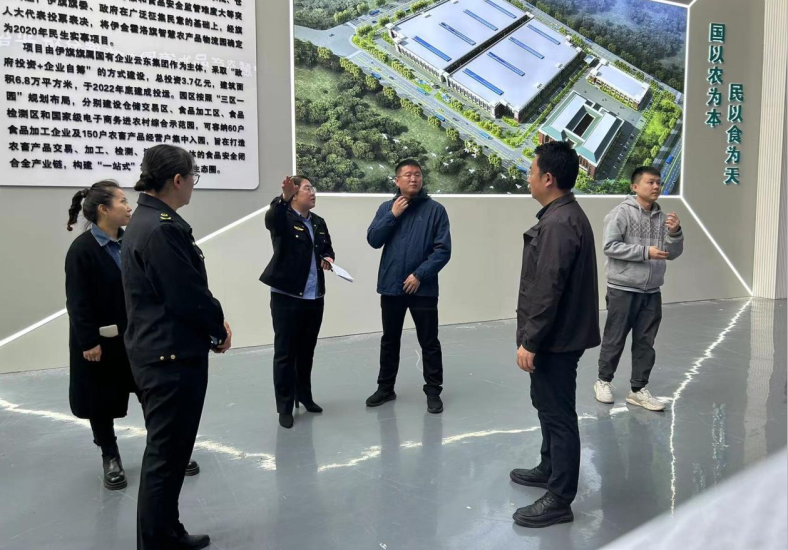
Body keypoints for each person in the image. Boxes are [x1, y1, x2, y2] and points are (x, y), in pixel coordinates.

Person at [122, 145, 231, 550]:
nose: (193, 186)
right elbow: (186, 296)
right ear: (178, 180)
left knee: (170, 455)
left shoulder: (147, 219)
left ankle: (168, 532)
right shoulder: (161, 228)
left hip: (160, 350)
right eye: (193, 178)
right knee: (166, 458)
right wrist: (217, 327)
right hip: (170, 357)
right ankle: (156, 542)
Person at [65, 181, 201, 492]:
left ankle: (167, 451)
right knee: (100, 402)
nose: (129, 207)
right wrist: (89, 342)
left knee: (152, 395)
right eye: (122, 201)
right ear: (103, 209)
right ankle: (110, 456)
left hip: (139, 337)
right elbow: (77, 301)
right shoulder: (82, 250)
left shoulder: (133, 240)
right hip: (101, 343)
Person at [511, 141, 600, 528]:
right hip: (558, 335)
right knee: (546, 404)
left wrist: (530, 340)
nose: (528, 177)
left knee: (558, 415)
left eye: (532, 172)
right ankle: (549, 467)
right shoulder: (562, 216)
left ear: (548, 178)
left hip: (555, 339)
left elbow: (547, 288)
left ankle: (560, 498)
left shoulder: (560, 223)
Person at [594, 166, 684, 411]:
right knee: (615, 338)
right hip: (622, 288)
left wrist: (675, 232)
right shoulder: (620, 213)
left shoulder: (663, 218)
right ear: (635, 187)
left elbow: (672, 253)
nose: (656, 186)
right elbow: (609, 246)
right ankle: (603, 381)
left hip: (652, 291)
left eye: (658, 182)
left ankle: (638, 390)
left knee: (646, 342)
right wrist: (645, 252)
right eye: (650, 182)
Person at [365, 159, 451, 414]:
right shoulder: (386, 208)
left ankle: (433, 391)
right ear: (397, 180)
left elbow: (443, 250)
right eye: (408, 175)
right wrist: (392, 215)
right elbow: (373, 239)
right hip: (391, 287)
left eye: (417, 174)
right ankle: (385, 388)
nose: (413, 179)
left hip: (423, 288)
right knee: (390, 340)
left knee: (429, 341)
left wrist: (419, 275)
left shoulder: (436, 210)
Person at [260, 175, 335, 429]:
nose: (312, 192)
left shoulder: (318, 222)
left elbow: (327, 248)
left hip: (314, 296)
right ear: (294, 195)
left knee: (306, 350)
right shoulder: (283, 217)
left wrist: (328, 258)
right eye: (306, 189)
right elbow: (271, 219)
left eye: (313, 188)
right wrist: (282, 198)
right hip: (287, 296)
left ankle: (304, 395)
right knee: (285, 353)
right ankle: (284, 406)